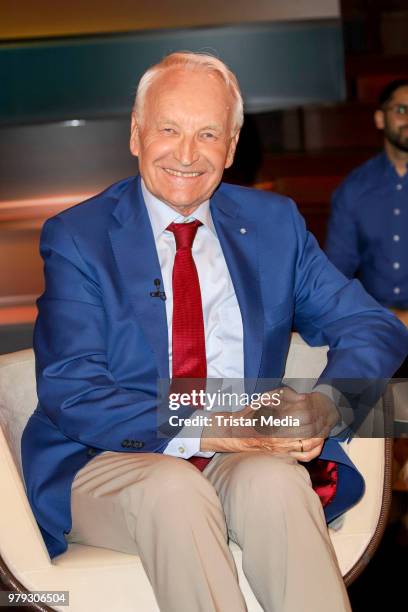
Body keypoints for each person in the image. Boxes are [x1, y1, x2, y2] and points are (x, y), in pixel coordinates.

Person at [22, 53, 408, 612]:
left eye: (207, 134)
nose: (185, 154)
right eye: (168, 129)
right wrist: (216, 425)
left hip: (241, 450)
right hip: (102, 457)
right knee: (174, 492)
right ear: (135, 134)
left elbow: (370, 324)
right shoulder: (79, 237)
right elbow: (74, 392)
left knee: (276, 485)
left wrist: (329, 405)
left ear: (230, 148)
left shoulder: (274, 224)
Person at [325, 79, 408, 327]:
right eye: (401, 110)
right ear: (380, 119)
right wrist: (385, 318)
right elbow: (336, 276)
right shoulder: (354, 189)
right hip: (376, 324)